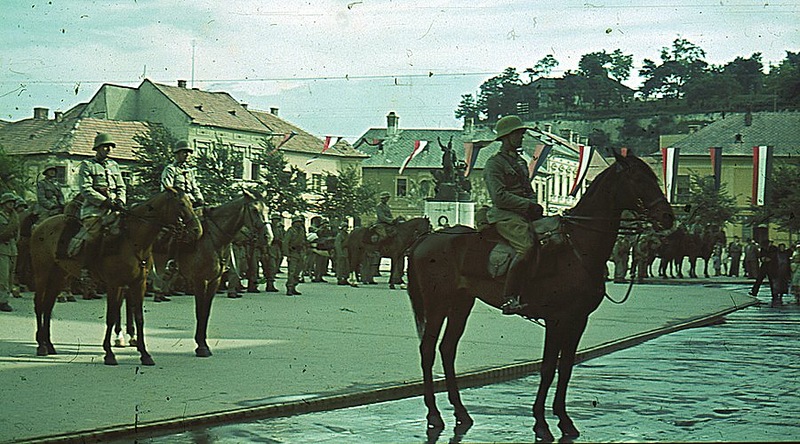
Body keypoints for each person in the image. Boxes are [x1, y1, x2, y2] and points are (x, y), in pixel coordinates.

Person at [483, 115, 543, 314]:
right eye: (518, 134)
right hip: (505, 215)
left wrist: (534, 204)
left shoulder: (520, 162)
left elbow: (528, 189)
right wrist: (528, 205)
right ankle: (510, 297)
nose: (521, 137)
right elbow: (499, 197)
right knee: (526, 246)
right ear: (506, 137)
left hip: (524, 213)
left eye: (521, 134)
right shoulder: (494, 164)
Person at [67, 133, 126, 258]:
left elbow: (121, 186)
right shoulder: (87, 165)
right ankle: (86, 266)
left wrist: (121, 200)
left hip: (114, 210)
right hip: (94, 211)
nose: (109, 149)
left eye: (111, 146)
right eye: (105, 146)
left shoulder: (114, 165)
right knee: (93, 235)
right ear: (97, 148)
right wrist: (104, 201)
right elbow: (85, 188)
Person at [161, 140, 204, 207]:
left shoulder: (189, 171)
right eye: (184, 152)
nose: (187, 155)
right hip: (177, 203)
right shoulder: (170, 169)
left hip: (191, 201)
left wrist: (200, 198)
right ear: (177, 154)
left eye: (189, 153)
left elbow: (195, 188)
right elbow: (167, 190)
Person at [0, 192, 20, 312]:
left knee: (10, 277)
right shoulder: (0, 216)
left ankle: (5, 298)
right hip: (2, 249)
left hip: (12, 250)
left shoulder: (14, 217)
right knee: (3, 277)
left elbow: (17, 233)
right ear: (3, 203)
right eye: (9, 202)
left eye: (13, 202)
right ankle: (2, 301)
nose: (11, 204)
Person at [283, 215, 307, 296]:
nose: (299, 223)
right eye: (297, 222)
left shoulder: (302, 230)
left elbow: (304, 241)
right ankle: (289, 287)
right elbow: (286, 242)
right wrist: (287, 254)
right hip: (293, 252)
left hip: (300, 253)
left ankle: (294, 286)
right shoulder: (291, 231)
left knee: (298, 271)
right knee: (292, 272)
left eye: (300, 222)